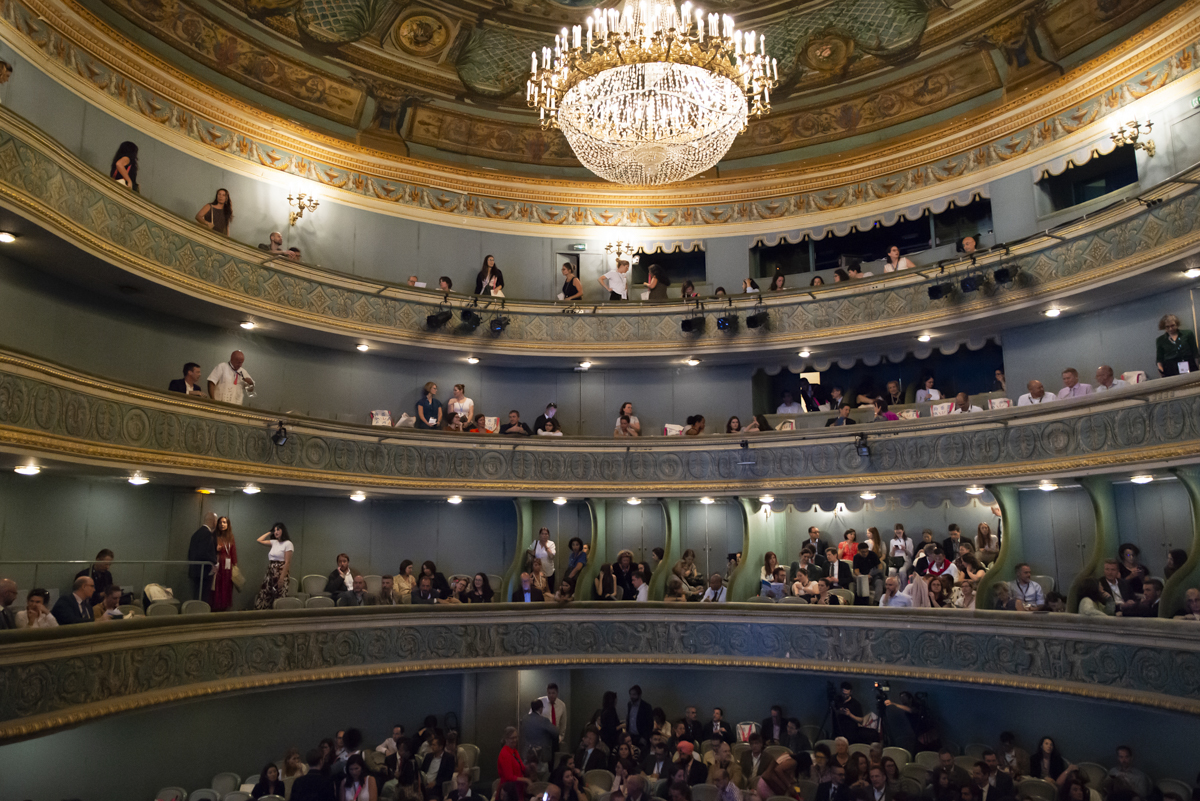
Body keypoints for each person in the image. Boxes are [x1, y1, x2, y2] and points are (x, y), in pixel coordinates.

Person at [253, 522, 293, 610]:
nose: (276, 532)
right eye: (274, 530)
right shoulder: (274, 542)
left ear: (283, 530)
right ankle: (265, 615)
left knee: (278, 596)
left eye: (278, 529)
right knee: (265, 594)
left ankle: (278, 616)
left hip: (280, 571)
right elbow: (259, 540)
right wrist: (269, 532)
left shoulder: (288, 543)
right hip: (270, 571)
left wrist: (281, 578)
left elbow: (287, 562)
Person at [188, 511, 218, 602]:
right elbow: (203, 552)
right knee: (203, 598)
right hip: (204, 572)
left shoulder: (196, 534)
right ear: (213, 521)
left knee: (197, 596)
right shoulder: (207, 534)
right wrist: (214, 562)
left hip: (195, 571)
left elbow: (191, 553)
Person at [212, 515, 238, 612]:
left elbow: (233, 551)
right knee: (217, 585)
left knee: (226, 585)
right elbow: (209, 549)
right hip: (218, 563)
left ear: (228, 524)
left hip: (228, 565)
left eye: (224, 522)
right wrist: (215, 549)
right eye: (220, 522)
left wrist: (235, 564)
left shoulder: (231, 537)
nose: (222, 524)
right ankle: (216, 605)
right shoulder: (215, 536)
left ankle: (224, 605)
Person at [419, 735, 455, 800]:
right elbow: (422, 770)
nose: (432, 747)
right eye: (432, 745)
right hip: (423, 783)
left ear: (440, 747)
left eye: (434, 745)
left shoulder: (448, 758)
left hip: (437, 787)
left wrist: (436, 782)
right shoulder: (428, 756)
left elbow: (448, 776)